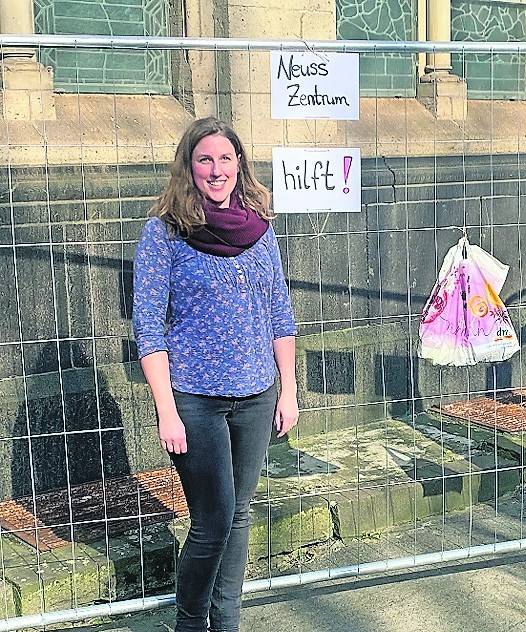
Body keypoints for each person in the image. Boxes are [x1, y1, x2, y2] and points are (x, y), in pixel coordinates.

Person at [133, 117, 298, 632]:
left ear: (240, 165)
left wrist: (288, 390)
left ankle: (226, 621)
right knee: (213, 521)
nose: (216, 169)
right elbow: (149, 328)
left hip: (256, 395)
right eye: (205, 159)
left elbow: (280, 313)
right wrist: (166, 412)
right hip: (195, 401)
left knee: (241, 513)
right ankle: (190, 623)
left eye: (226, 158)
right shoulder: (164, 234)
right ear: (189, 167)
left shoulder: (260, 230)